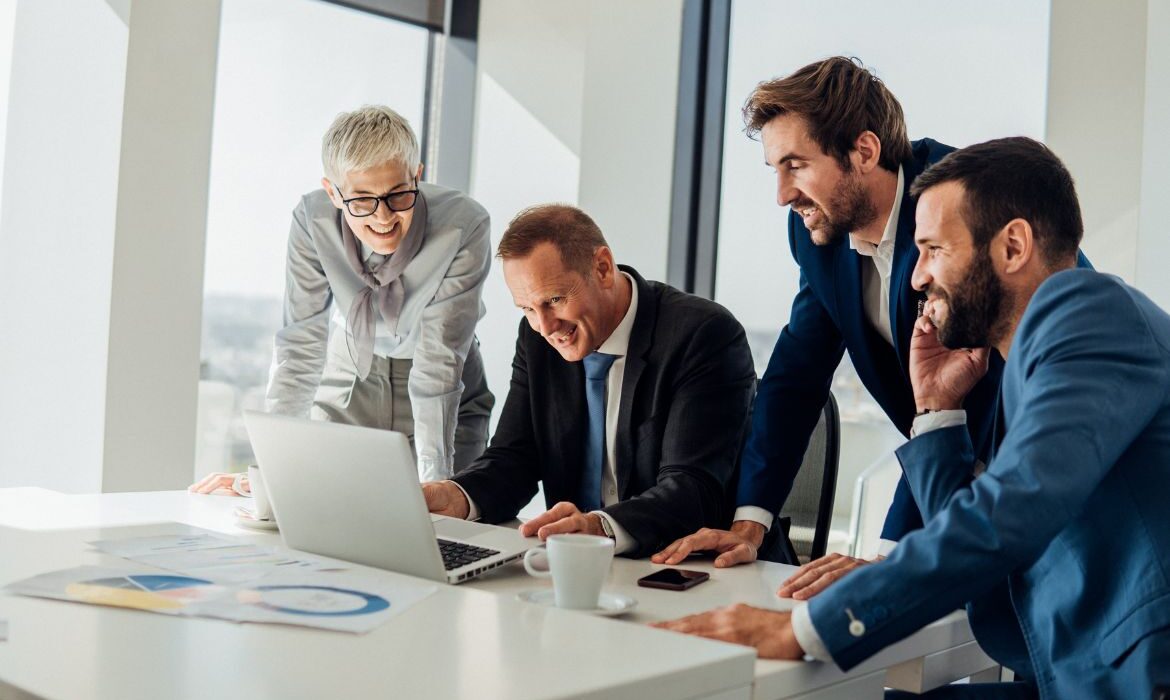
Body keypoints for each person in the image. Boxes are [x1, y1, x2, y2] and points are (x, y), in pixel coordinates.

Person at [656, 137, 1170, 699]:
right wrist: (936, 412)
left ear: (1014, 246)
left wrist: (807, 629)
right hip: (1073, 680)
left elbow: (1008, 512)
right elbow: (983, 552)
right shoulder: (1030, 365)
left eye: (932, 250)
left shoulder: (1087, 315)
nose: (917, 277)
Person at [654, 57, 1088, 587]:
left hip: (1049, 493)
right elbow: (797, 374)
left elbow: (985, 397)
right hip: (956, 481)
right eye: (776, 171)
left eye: (796, 165)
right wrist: (750, 524)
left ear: (864, 150)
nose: (782, 195)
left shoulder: (967, 207)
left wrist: (892, 557)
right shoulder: (818, 234)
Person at [191, 105, 494, 496]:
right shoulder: (311, 221)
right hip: (350, 371)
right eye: (362, 200)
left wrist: (434, 485)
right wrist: (270, 470)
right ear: (333, 192)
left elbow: (440, 359)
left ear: (417, 176)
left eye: (398, 195)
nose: (383, 217)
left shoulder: (463, 225)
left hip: (448, 382)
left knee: (449, 524)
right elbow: (300, 345)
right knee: (326, 504)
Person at [421, 204, 756, 557]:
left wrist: (600, 527)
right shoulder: (537, 337)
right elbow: (514, 458)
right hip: (574, 563)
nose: (546, 327)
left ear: (602, 268)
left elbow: (692, 489)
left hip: (688, 564)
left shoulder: (702, 334)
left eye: (554, 300)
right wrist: (456, 495)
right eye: (527, 309)